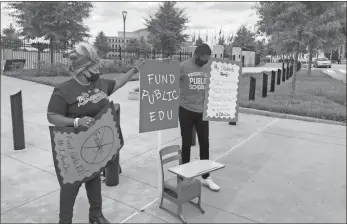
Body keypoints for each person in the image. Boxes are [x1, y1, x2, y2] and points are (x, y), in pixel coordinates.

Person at [47, 42, 145, 224]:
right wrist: (76, 121)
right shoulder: (64, 90)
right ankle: (65, 220)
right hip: (73, 148)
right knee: (70, 187)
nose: (99, 70)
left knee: (93, 180)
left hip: (95, 145)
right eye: (95, 67)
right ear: (83, 70)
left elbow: (118, 83)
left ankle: (96, 215)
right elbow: (52, 116)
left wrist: (134, 69)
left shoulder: (99, 83)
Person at [179, 43, 220, 191]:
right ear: (196, 55)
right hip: (185, 109)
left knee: (205, 143)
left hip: (202, 111)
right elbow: (170, 82)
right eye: (204, 59)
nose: (206, 61)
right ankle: (184, 176)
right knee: (186, 143)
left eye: (208, 59)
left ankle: (206, 177)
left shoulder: (209, 66)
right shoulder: (183, 66)